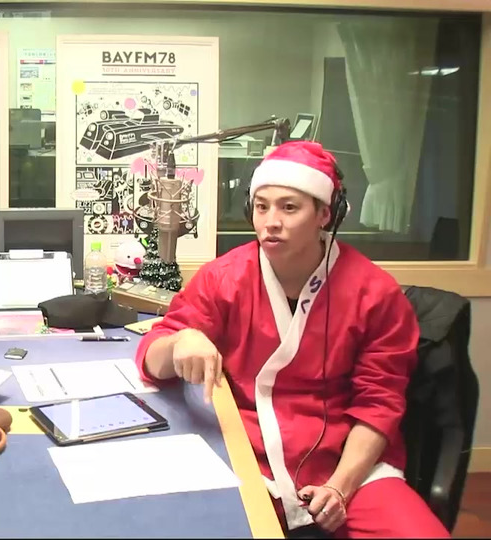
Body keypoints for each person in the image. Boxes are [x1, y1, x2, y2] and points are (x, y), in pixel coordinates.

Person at [135, 141, 449, 538]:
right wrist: (182, 340)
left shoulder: (375, 294)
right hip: (247, 460)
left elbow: (379, 404)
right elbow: (152, 357)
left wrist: (340, 487)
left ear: (325, 214)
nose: (271, 222)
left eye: (289, 207)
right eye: (261, 207)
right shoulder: (222, 279)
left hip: (347, 464)